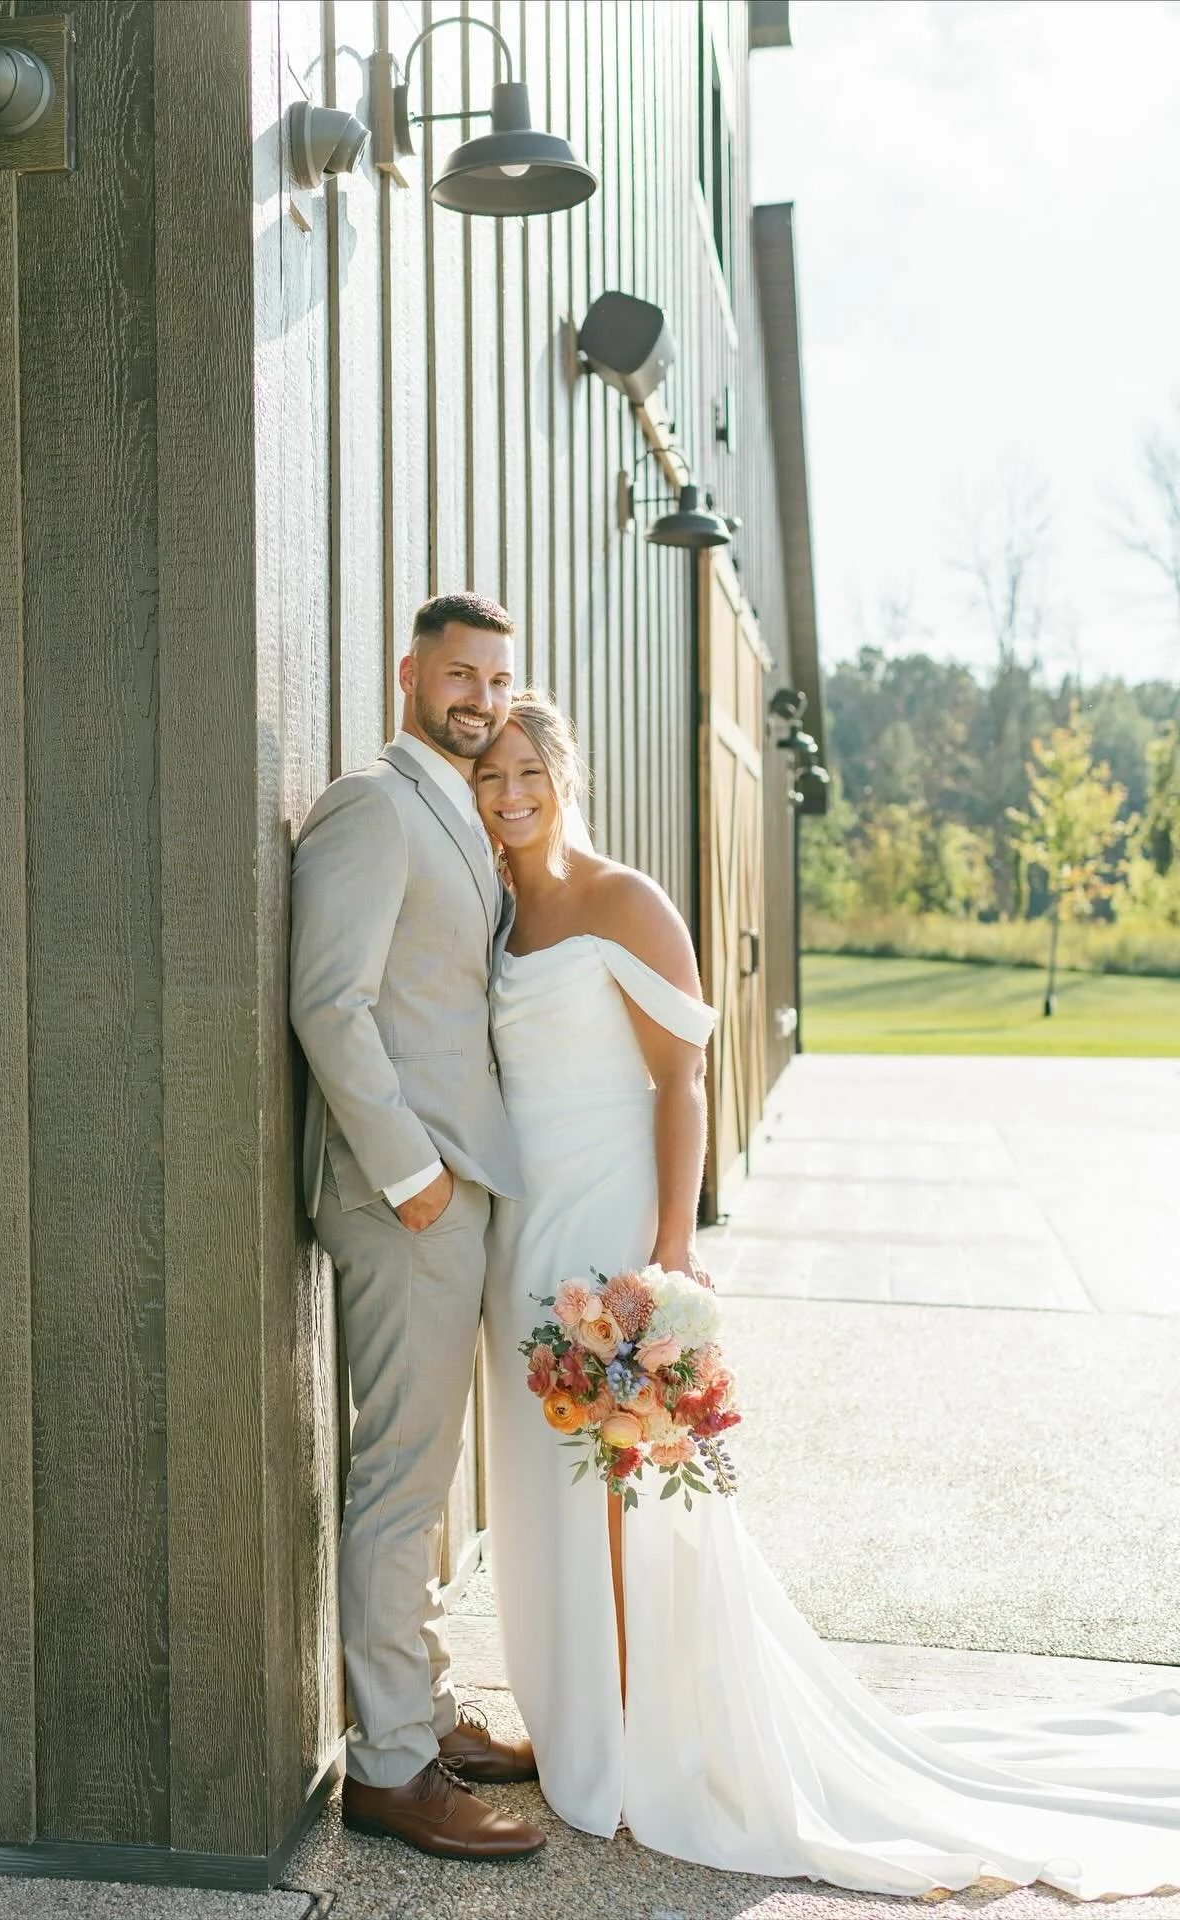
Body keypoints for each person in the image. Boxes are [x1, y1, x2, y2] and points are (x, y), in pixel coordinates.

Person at [476, 689, 1180, 1900]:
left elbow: (682, 1079)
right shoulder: (498, 910)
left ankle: (647, 1743)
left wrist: (670, 1249)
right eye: (489, 776)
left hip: (603, 1234)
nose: (510, 793)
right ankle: (574, 1725)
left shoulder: (623, 900)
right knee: (545, 1494)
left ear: (564, 770)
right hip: (516, 1243)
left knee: (632, 1499)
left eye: (526, 768)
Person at [289, 592, 544, 1861]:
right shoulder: (373, 805)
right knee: (398, 1482)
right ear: (409, 674)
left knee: (426, 1472)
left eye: (498, 682)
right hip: (406, 1202)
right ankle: (389, 1766)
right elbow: (329, 1005)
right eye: (460, 676)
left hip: (452, 1196)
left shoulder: (451, 809)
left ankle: (423, 1707)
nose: (481, 701)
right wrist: (414, 1180)